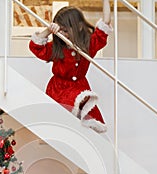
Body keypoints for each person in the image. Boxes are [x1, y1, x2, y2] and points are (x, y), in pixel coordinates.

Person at [29, 1, 112, 133]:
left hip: (79, 88)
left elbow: (105, 23)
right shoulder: (56, 47)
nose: (63, 33)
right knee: (61, 125)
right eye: (60, 30)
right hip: (57, 90)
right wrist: (48, 30)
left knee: (83, 124)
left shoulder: (88, 45)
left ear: (79, 27)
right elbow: (36, 47)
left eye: (66, 30)